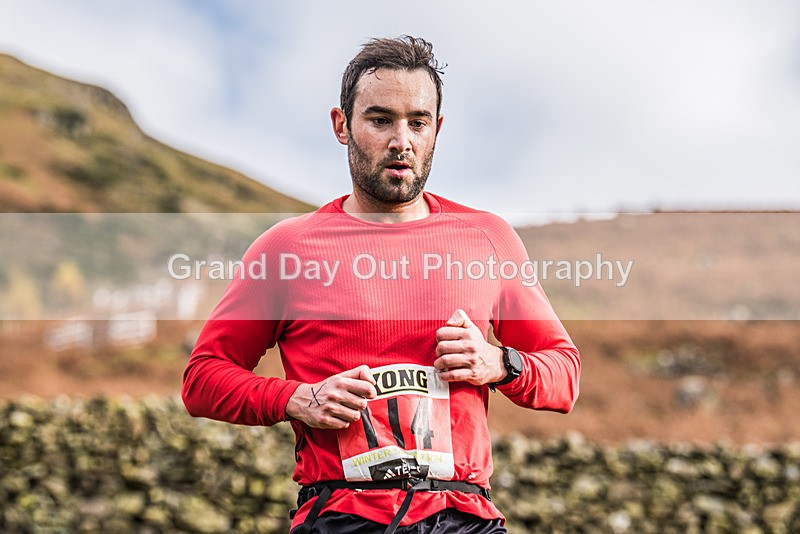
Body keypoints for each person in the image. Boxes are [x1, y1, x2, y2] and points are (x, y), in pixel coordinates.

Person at [182, 35, 580, 534]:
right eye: (380, 120)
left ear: (437, 130)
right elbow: (202, 380)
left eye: (417, 122)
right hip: (340, 516)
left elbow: (565, 374)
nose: (401, 141)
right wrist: (295, 398)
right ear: (342, 125)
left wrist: (500, 362)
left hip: (464, 517)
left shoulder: (488, 239)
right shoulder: (286, 249)